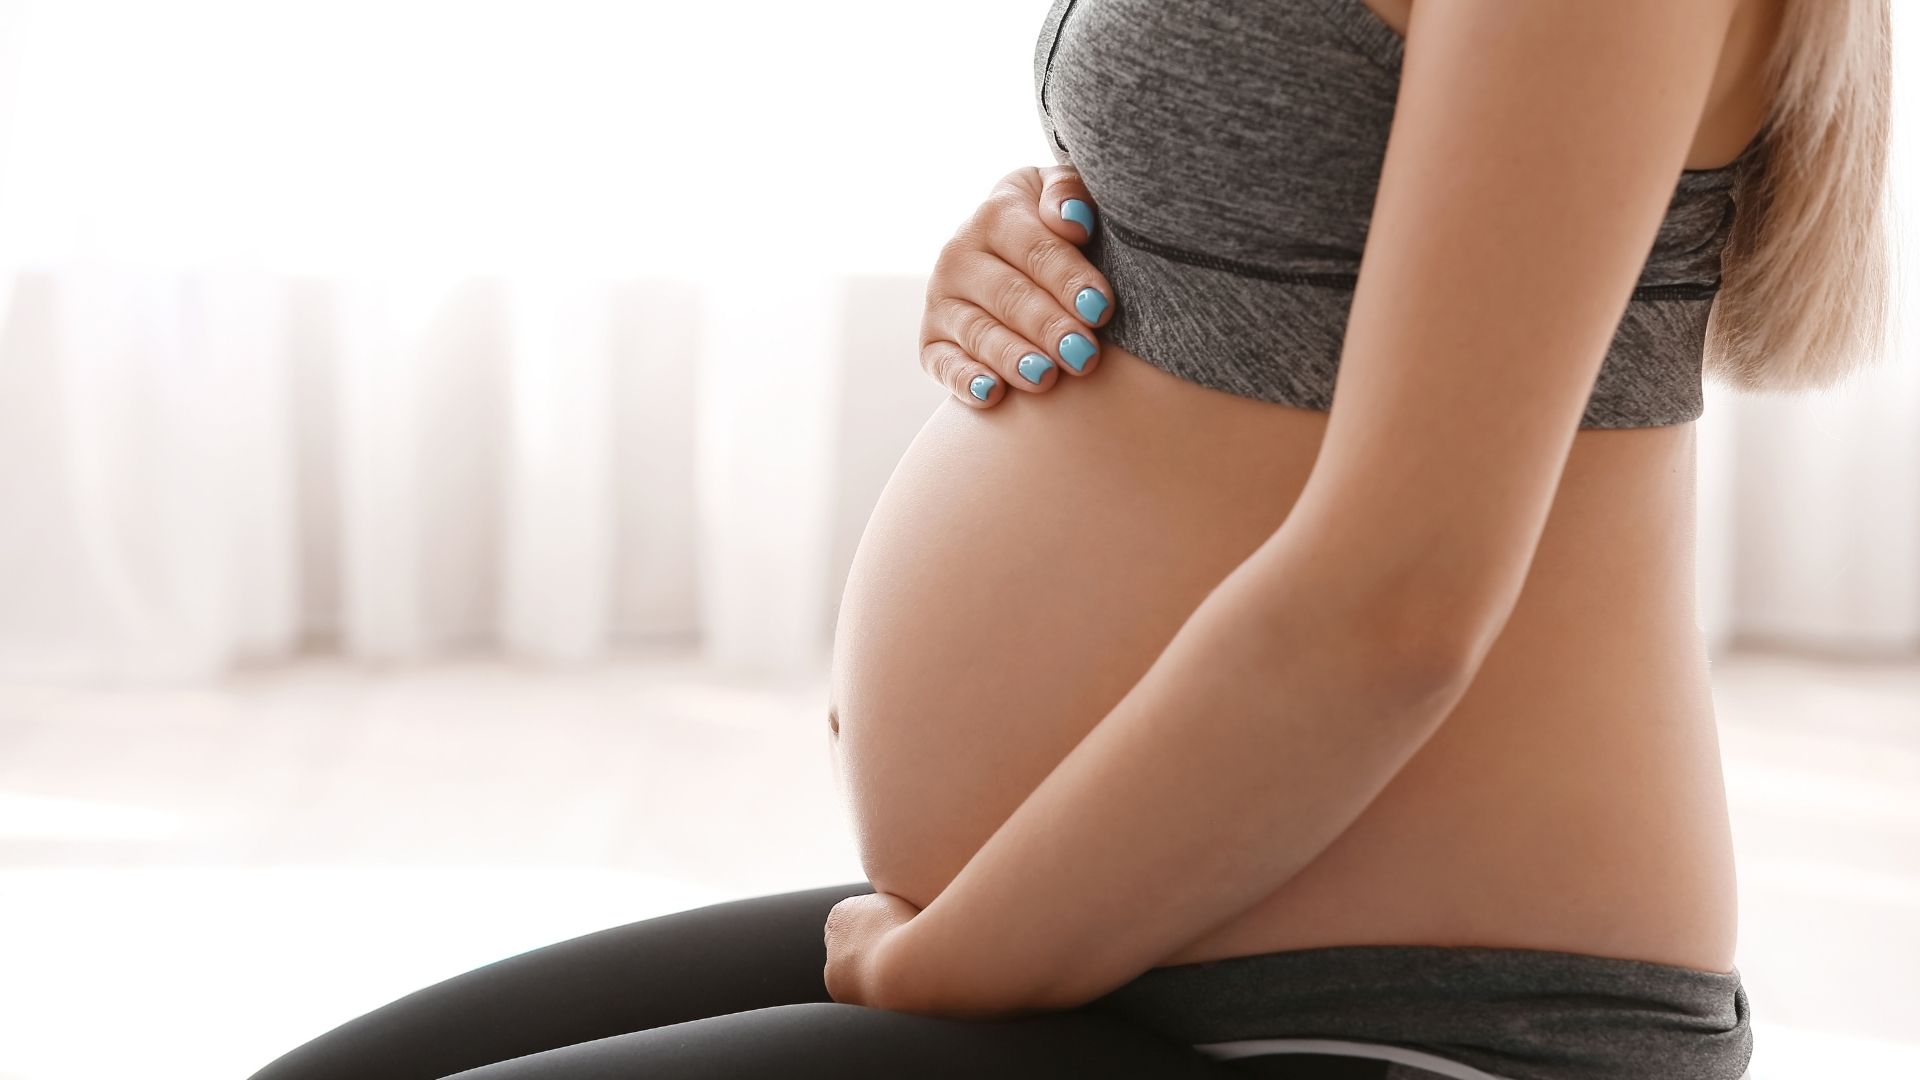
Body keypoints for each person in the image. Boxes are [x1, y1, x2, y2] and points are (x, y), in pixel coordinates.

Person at [247, 0, 1891, 1077]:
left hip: (1404, 1015)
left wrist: (943, 975)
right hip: (1124, 932)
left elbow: (1398, 604)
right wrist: (1062, 247)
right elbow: (1310, 198)